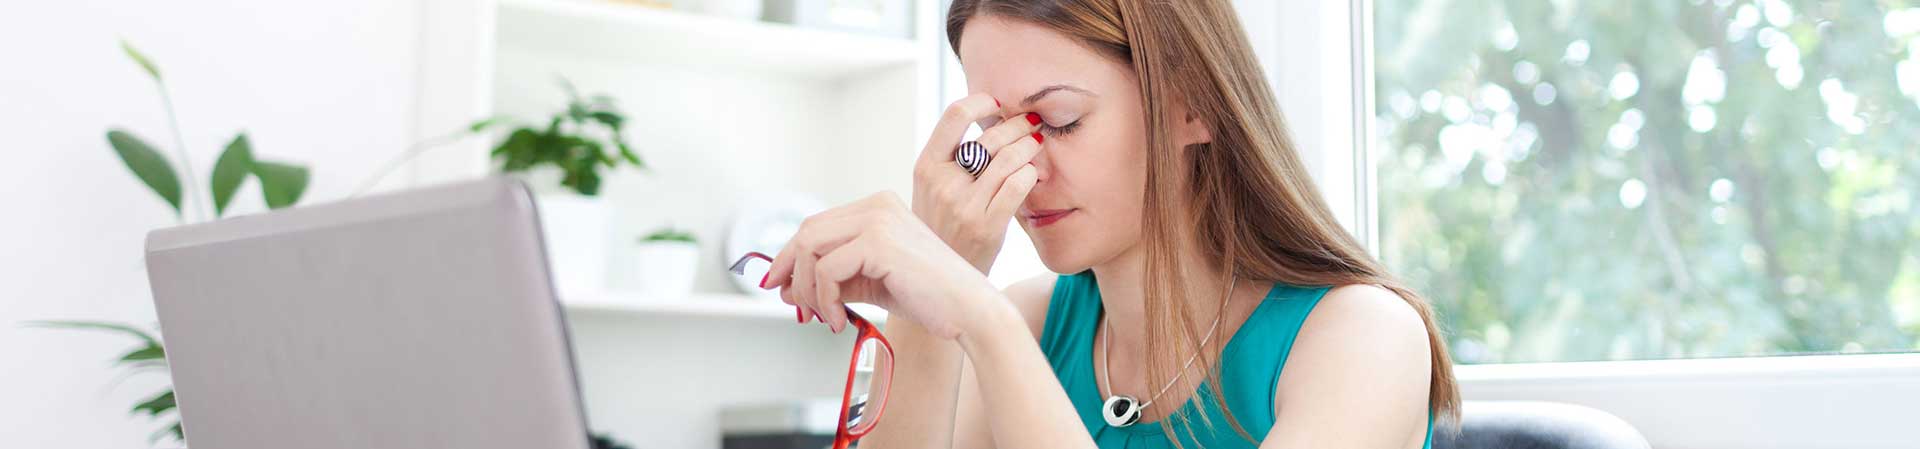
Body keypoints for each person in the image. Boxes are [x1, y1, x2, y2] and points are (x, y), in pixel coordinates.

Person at [758, 1, 1458, 447]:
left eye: (1058, 120)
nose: (1022, 171)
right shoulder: (1034, 318)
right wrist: (928, 288)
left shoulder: (1363, 336)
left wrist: (979, 320)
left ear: (1193, 105)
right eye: (995, 132)